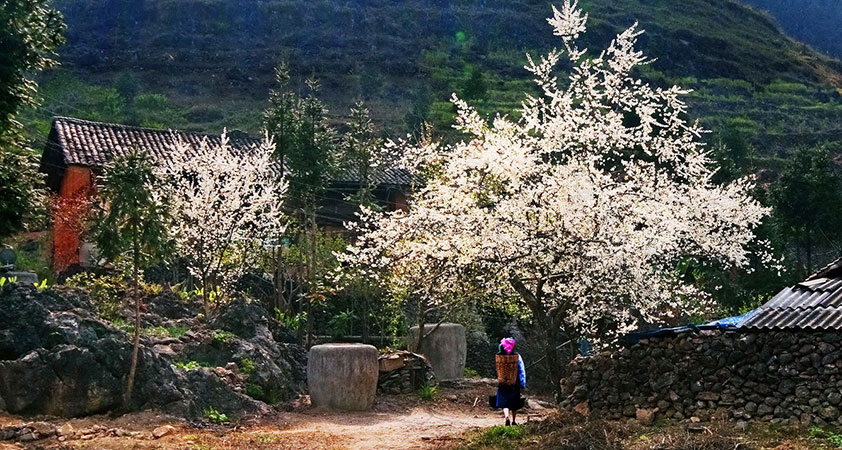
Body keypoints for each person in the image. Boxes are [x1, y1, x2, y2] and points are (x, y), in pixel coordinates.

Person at [493, 337, 526, 426]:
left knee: (504, 401)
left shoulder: (499, 356)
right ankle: (514, 421)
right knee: (514, 402)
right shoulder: (517, 356)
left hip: (503, 382)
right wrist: (523, 382)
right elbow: (521, 370)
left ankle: (507, 417)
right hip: (515, 382)